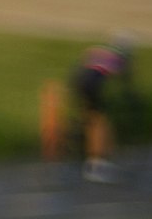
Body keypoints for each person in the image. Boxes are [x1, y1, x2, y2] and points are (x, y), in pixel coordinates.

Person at [44, 36, 140, 182]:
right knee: (99, 121)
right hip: (93, 85)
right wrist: (132, 100)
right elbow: (127, 86)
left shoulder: (96, 51)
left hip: (78, 81)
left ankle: (76, 149)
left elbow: (78, 67)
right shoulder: (122, 59)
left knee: (88, 119)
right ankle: (96, 164)